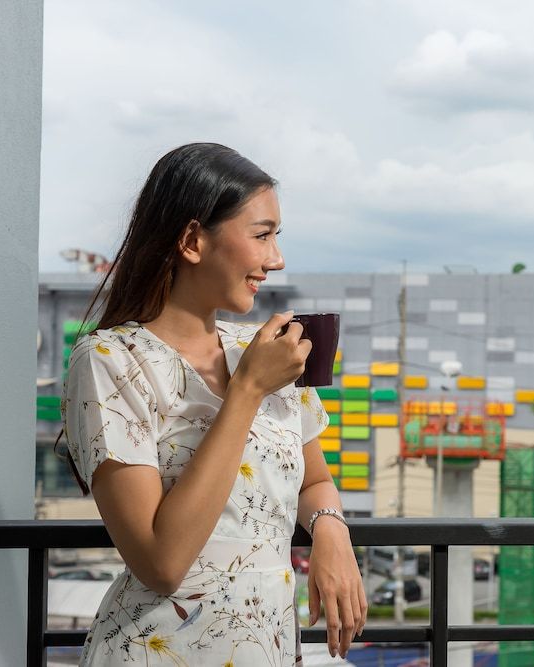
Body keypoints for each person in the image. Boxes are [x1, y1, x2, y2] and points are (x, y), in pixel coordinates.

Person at [59, 143, 366, 666]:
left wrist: (331, 531)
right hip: (158, 652)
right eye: (262, 235)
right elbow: (160, 562)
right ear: (192, 240)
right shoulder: (112, 359)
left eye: (277, 237)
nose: (277, 259)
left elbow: (314, 482)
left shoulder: (265, 350)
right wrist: (246, 392)